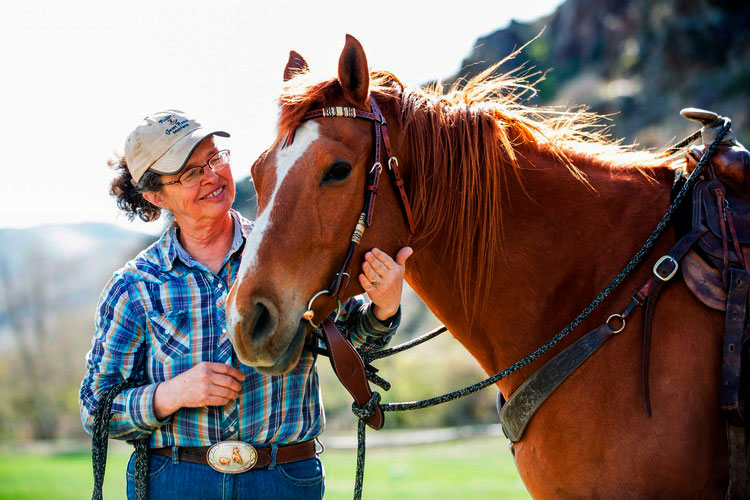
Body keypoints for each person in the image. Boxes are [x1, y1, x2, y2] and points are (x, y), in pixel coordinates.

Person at [79, 110, 412, 500]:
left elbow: (352, 346)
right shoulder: (135, 286)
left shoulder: (290, 252)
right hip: (175, 481)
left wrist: (383, 308)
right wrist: (172, 394)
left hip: (283, 479)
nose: (211, 176)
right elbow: (95, 409)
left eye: (214, 157)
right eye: (189, 173)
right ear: (155, 196)